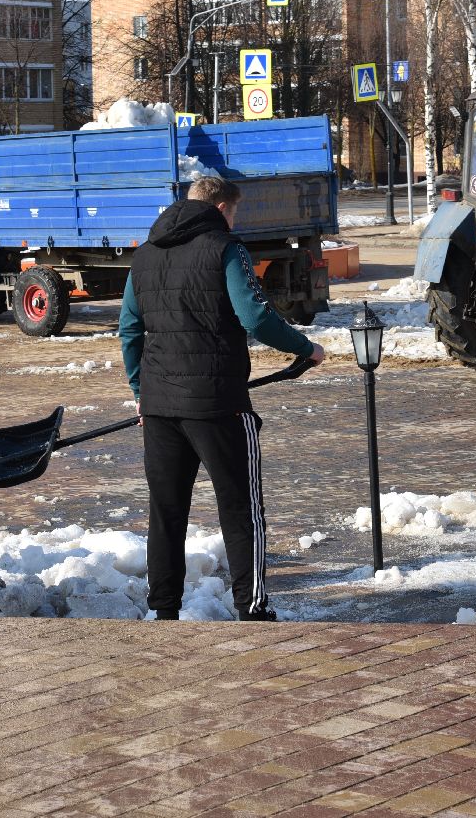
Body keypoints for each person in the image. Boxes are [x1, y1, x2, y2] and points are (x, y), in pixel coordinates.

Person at [119, 176, 326, 622]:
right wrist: (306, 348)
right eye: (234, 212)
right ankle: (251, 608)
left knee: (166, 512)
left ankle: (164, 610)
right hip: (218, 404)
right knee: (241, 509)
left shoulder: (145, 254)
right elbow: (255, 317)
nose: (234, 220)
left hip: (159, 406)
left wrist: (140, 393)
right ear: (221, 208)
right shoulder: (225, 248)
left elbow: (129, 330)